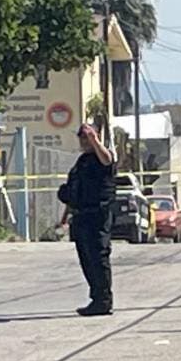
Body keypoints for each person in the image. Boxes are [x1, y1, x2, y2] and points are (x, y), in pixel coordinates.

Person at [59, 124, 116, 317]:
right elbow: (74, 189)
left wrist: (95, 140)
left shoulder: (103, 157)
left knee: (98, 256)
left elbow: (107, 160)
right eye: (82, 138)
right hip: (81, 215)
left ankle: (104, 300)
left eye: (87, 137)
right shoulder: (82, 161)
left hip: (97, 214)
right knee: (86, 259)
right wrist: (65, 216)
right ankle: (96, 298)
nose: (84, 141)